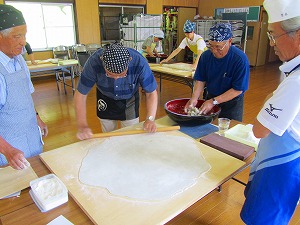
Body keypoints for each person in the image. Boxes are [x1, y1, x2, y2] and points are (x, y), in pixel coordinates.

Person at [240, 0, 300, 224]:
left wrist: (268, 100)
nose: (272, 43)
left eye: (275, 36)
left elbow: (259, 129)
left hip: (280, 164)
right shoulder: (293, 71)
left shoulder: (296, 82)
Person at [74, 43, 158, 139]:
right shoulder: (93, 62)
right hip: (105, 98)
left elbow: (151, 92)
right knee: (108, 136)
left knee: (129, 136)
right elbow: (80, 94)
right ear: (102, 62)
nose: (116, 79)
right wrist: (82, 125)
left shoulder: (139, 62)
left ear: (129, 62)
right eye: (110, 75)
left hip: (129, 100)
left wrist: (150, 119)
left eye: (122, 75)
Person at [0, 4, 48, 170]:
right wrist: (7, 150)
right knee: (16, 190)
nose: (23, 41)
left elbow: (26, 94)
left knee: (36, 177)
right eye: (16, 36)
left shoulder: (18, 58)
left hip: (30, 135)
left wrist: (36, 117)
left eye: (24, 35)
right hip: (9, 147)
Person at [184, 23, 250, 122]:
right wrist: (194, 98)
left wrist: (214, 101)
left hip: (232, 103)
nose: (214, 51)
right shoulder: (206, 56)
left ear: (230, 41)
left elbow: (238, 89)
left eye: (218, 47)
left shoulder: (239, 59)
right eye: (211, 46)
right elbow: (201, 80)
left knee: (229, 133)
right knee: (208, 130)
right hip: (211, 97)